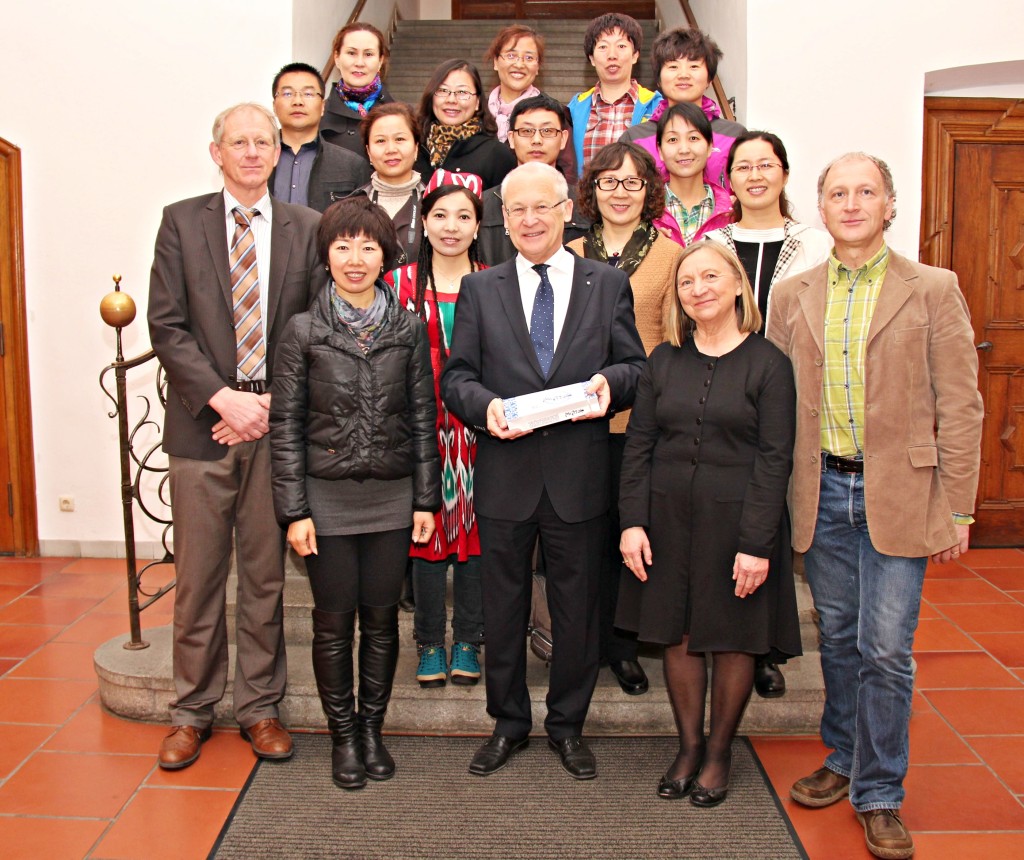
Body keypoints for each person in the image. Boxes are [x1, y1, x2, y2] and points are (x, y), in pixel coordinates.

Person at [766, 153, 984, 859]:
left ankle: (882, 791)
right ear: (821, 209)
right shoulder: (792, 295)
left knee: (885, 649)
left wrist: (958, 508)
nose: (852, 203)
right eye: (838, 193)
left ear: (890, 205)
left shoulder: (932, 288)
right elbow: (773, 405)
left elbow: (962, 403)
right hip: (820, 490)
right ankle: (843, 753)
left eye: (866, 192)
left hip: (901, 492)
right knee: (836, 637)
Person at [441, 162, 646, 781]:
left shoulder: (606, 284)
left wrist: (610, 385)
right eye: (517, 210)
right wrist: (487, 409)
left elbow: (636, 368)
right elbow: (456, 379)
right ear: (505, 221)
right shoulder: (482, 288)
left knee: (577, 609)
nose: (529, 220)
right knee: (501, 611)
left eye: (542, 207)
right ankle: (507, 724)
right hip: (505, 475)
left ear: (566, 211)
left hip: (579, 480)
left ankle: (567, 725)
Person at [147, 102, 321, 770]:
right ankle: (191, 711)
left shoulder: (306, 228)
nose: (251, 152)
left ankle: (259, 707)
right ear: (216, 152)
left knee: (264, 578)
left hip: (274, 428)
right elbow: (167, 326)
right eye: (238, 142)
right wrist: (223, 398)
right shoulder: (181, 222)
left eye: (262, 141)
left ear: (278, 152)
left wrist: (273, 404)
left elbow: (314, 327)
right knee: (197, 581)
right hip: (202, 428)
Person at [619, 241, 801, 808]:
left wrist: (756, 543)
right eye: (687, 281)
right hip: (668, 519)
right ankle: (689, 746)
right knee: (677, 632)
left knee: (735, 637)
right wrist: (632, 523)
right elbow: (639, 447)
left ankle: (720, 752)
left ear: (738, 283)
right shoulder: (664, 361)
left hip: (738, 524)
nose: (699, 289)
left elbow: (776, 458)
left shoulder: (770, 364)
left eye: (710, 276)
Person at [269, 196, 441, 791]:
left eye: (368, 246)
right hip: (326, 500)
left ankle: (372, 729)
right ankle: (342, 735)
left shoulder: (408, 327)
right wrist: (293, 510)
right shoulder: (301, 331)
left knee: (383, 622)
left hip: (393, 498)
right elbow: (285, 425)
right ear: (326, 255)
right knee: (333, 624)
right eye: (343, 245)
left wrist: (426, 499)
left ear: (385, 256)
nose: (356, 257)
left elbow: (425, 417)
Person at [704, 130, 831, 698]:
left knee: (770, 516)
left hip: (788, 392)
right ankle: (720, 631)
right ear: (727, 178)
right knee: (728, 516)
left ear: (783, 173)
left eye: (766, 165)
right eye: (743, 166)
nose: (754, 176)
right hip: (722, 395)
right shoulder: (712, 239)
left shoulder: (815, 244)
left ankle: (764, 648)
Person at [567, 141, 679, 696]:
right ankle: (585, 644)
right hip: (574, 423)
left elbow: (676, 340)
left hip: (643, 421)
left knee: (631, 534)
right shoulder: (567, 252)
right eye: (609, 181)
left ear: (648, 191)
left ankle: (624, 646)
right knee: (583, 541)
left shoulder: (671, 256)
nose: (619, 192)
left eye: (632, 182)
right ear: (592, 190)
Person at [385, 171, 487, 689]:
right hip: (419, 437)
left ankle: (469, 637)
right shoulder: (396, 284)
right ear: (423, 223)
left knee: (474, 539)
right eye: (440, 215)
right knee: (425, 540)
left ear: (477, 227)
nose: (451, 226)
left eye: (463, 217)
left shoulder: (495, 282)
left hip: (478, 439)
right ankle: (428, 644)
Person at [620, 27, 745, 188]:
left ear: (710, 79)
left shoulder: (734, 135)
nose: (683, 74)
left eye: (694, 66)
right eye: (673, 67)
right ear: (658, 79)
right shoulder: (635, 138)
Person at [478, 93, 590, 266]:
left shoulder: (584, 204)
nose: (536, 140)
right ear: (511, 139)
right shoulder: (483, 205)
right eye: (526, 131)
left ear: (563, 139)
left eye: (547, 131)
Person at [269, 62, 370, 212]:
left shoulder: (352, 165)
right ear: (274, 106)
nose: (298, 102)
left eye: (308, 94)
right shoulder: (257, 160)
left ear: (323, 106)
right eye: (287, 94)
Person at [568, 13, 662, 171]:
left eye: (621, 46)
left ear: (635, 55)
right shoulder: (574, 109)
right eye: (603, 47)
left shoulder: (657, 108)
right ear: (591, 58)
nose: (612, 55)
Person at [415, 59, 518, 191]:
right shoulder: (413, 148)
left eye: (462, 92)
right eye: (443, 90)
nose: (451, 100)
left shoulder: (496, 155)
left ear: (477, 102)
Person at [354, 102, 426, 264]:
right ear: (368, 152)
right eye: (380, 141)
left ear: (415, 148)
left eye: (400, 139)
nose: (391, 149)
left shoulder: (435, 204)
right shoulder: (350, 208)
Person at [652, 102, 731, 247]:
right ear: (660, 151)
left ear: (709, 147)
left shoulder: (731, 212)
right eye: (673, 140)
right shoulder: (643, 210)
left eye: (693, 138)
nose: (684, 149)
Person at [320, 22, 394, 156]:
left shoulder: (400, 115)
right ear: (337, 58)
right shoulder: (319, 114)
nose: (359, 63)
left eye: (368, 54)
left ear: (380, 61)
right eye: (351, 53)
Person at [483, 24, 544, 142]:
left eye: (529, 58)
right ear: (495, 62)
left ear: (537, 67)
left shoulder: (552, 113)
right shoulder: (478, 113)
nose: (519, 64)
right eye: (511, 55)